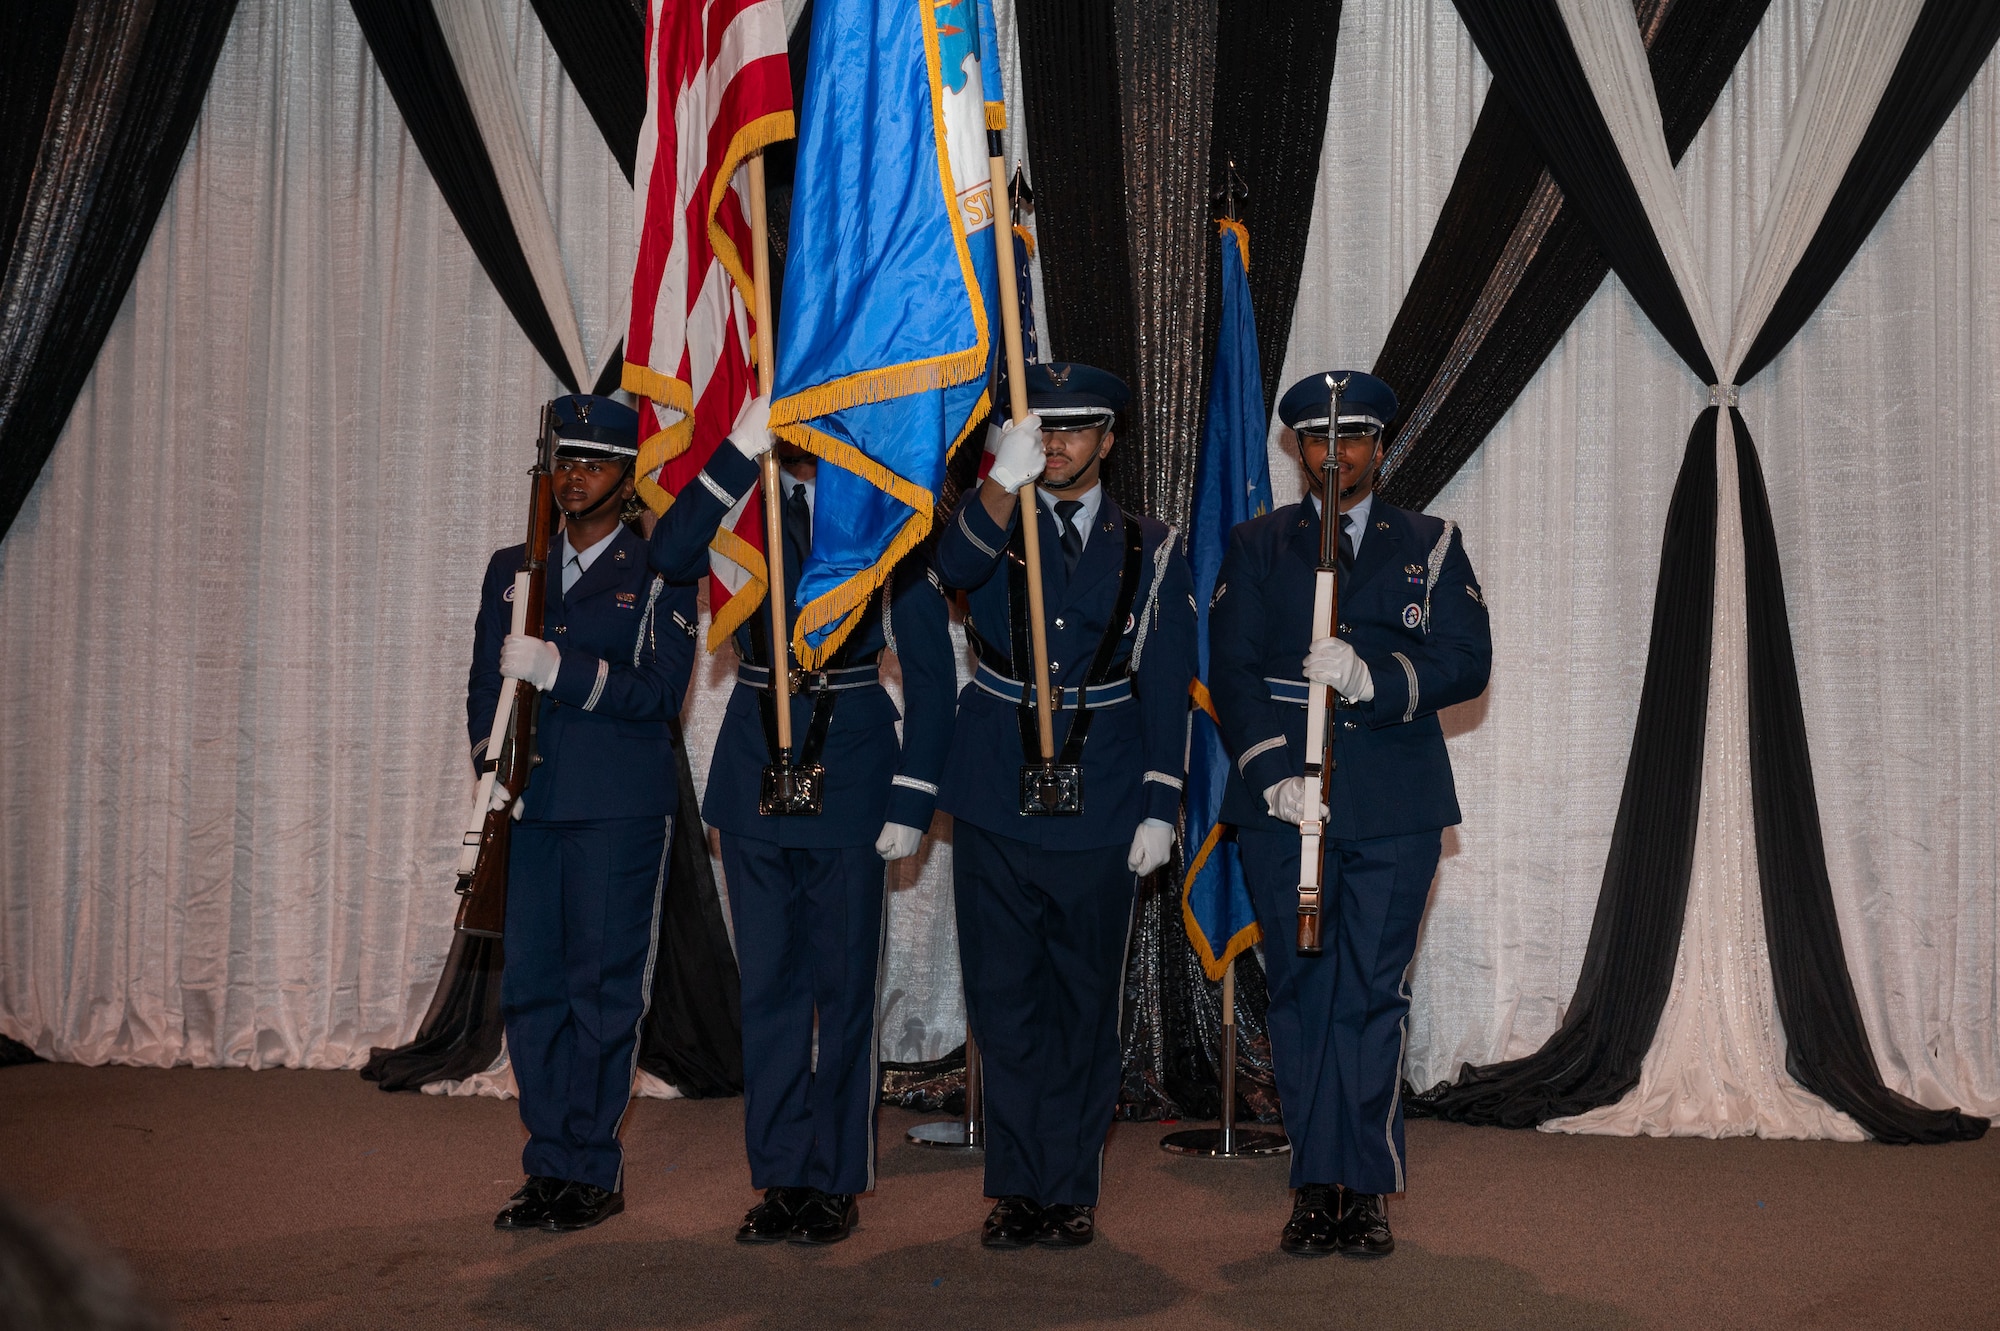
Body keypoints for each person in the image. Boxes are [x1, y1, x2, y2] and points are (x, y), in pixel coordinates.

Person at [648, 395, 957, 1246]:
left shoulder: (889, 521)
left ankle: (835, 1178)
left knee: (844, 987)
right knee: (772, 990)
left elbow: (931, 677)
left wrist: (913, 795)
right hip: (754, 773)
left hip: (854, 773)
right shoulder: (746, 507)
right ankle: (782, 1171)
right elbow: (668, 553)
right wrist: (733, 452)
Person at [1207, 370, 1491, 1258]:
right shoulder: (1257, 546)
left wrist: (1377, 681)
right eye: (1320, 442)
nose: (1337, 456)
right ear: (1300, 452)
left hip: (1394, 803)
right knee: (1299, 996)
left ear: (1381, 447)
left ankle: (1362, 1184)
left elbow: (1467, 660)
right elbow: (1233, 674)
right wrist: (1269, 778)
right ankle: (1313, 1181)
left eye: (1355, 440)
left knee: (1371, 993)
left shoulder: (1430, 542)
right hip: (1285, 807)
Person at [934, 362, 1196, 1250]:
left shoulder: (1152, 545)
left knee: (1084, 1004)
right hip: (996, 789)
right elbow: (951, 568)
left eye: (1076, 428)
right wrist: (998, 485)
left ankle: (1069, 1183)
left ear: (1109, 439)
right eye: (1044, 429)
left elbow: (1165, 679)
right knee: (1003, 1000)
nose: (1056, 443)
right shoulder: (995, 517)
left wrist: (1163, 804)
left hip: (1105, 795)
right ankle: (1015, 1185)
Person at [468, 394, 699, 1233]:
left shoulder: (662, 570)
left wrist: (563, 671)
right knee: (531, 993)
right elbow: (482, 687)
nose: (574, 477)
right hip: (532, 805)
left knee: (600, 993)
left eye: (594, 462)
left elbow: (662, 695)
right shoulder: (513, 567)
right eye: (565, 461)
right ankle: (546, 1162)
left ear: (628, 476)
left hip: (615, 812)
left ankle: (592, 1165)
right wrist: (492, 773)